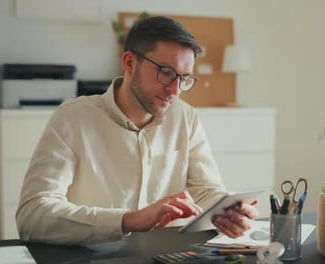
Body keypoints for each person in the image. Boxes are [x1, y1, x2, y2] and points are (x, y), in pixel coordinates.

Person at [16, 16, 258, 245]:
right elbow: (33, 215)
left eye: (184, 79)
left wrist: (227, 211)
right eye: (166, 72)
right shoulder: (73, 118)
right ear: (130, 63)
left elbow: (205, 190)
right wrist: (129, 219)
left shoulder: (184, 116)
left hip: (165, 255)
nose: (175, 90)